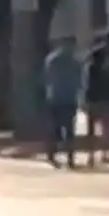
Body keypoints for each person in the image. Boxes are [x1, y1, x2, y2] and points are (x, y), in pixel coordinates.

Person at [44, 37, 83, 169]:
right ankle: (69, 158)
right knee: (69, 129)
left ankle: (52, 154)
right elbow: (79, 82)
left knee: (55, 128)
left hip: (56, 97)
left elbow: (47, 78)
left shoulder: (52, 60)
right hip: (68, 98)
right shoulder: (75, 62)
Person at [85, 42, 109, 164]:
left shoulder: (91, 67)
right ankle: (104, 153)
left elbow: (87, 84)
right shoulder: (106, 68)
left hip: (94, 100)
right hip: (105, 99)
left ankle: (92, 155)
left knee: (92, 130)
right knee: (107, 128)